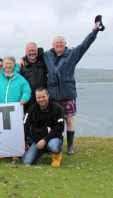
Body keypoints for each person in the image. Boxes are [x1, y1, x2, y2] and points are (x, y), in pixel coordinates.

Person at [19, 21, 102, 155]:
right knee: (51, 121)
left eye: (61, 43)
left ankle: (70, 146)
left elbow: (86, 44)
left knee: (69, 119)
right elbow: (31, 54)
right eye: (56, 43)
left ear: (65, 44)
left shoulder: (73, 54)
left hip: (67, 93)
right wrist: (22, 58)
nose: (59, 45)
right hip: (52, 94)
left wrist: (94, 31)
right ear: (53, 45)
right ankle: (52, 143)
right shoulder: (47, 55)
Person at [0, 56, 31, 160]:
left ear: (14, 65)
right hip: (1, 110)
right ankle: (4, 151)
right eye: (6, 64)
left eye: (10, 63)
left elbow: (27, 90)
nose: (8, 65)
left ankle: (17, 152)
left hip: (15, 110)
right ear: (3, 65)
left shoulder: (20, 79)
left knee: (16, 132)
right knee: (2, 131)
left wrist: (24, 99)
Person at [22, 88, 64, 167]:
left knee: (54, 146)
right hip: (37, 142)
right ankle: (39, 151)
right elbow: (25, 127)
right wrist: (23, 143)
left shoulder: (57, 109)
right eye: (39, 97)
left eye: (43, 97)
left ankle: (57, 157)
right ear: (36, 98)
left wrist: (45, 140)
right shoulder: (31, 110)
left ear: (48, 96)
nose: (41, 99)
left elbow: (60, 128)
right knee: (26, 162)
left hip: (53, 138)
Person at [19, 43, 47, 112]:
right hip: (28, 101)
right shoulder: (22, 66)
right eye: (29, 51)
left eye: (33, 50)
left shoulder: (44, 62)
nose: (31, 52)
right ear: (26, 52)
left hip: (42, 99)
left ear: (37, 51)